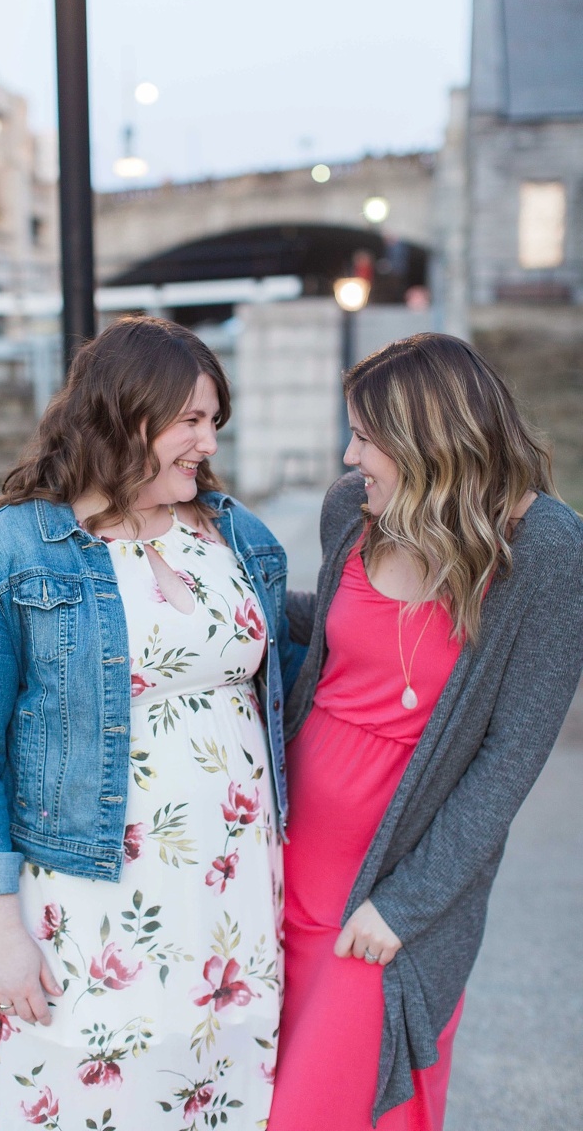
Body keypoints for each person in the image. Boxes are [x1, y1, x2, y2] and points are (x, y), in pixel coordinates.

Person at [0, 316, 298, 1131]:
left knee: (218, 1094)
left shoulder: (240, 536)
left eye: (213, 422)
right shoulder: (7, 553)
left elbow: (294, 684)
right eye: (190, 421)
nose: (208, 442)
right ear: (128, 415)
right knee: (92, 1096)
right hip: (87, 900)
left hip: (233, 894)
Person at [267, 333, 583, 1131]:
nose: (350, 455)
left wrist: (406, 905)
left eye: (366, 437)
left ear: (424, 439)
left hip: (389, 892)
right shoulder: (355, 511)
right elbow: (337, 634)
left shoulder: (546, 550)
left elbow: (511, 758)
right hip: (289, 857)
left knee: (321, 1113)